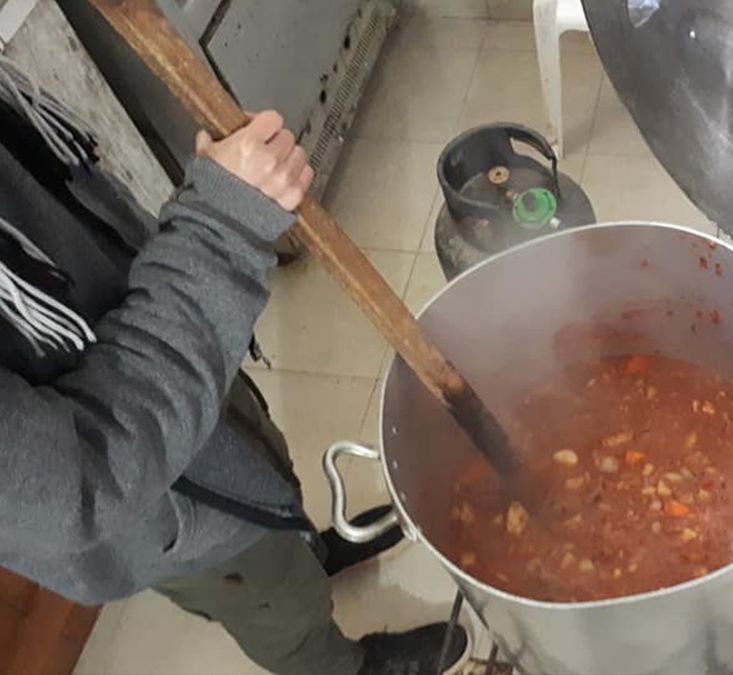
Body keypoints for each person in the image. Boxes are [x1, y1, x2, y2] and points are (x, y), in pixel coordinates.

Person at [0, 56, 465, 675]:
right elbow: (78, 483)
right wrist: (220, 224)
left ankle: (302, 549)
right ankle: (340, 666)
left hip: (179, 380)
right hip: (164, 501)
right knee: (276, 604)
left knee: (270, 497)